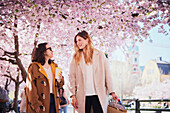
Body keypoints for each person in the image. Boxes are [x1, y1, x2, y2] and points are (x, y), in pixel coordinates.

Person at [69, 30, 118, 113]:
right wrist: (73, 95)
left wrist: (112, 92)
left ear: (87, 40)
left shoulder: (100, 55)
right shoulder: (75, 58)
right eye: (76, 41)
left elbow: (107, 74)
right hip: (82, 96)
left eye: (80, 40)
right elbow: (72, 77)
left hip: (98, 95)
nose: (78, 43)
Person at [26, 42, 64, 113]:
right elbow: (30, 86)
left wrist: (59, 79)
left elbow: (60, 85)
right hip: (41, 102)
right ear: (43, 52)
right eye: (49, 49)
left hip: (54, 101)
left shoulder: (54, 66)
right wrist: (35, 103)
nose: (52, 51)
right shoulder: (34, 67)